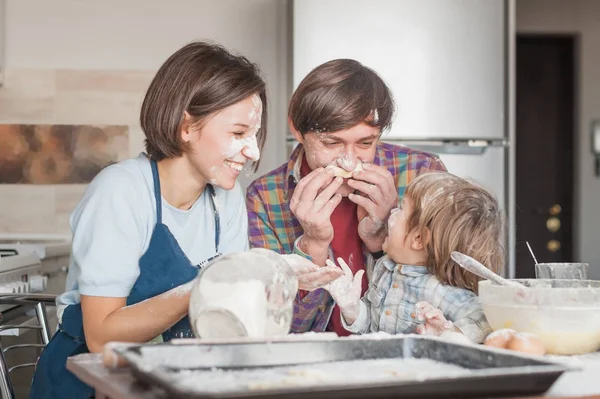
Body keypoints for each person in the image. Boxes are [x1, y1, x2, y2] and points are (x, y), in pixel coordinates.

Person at [29, 40, 339, 399]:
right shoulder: (121, 192)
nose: (252, 151)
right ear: (186, 126)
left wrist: (273, 276)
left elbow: (229, 319)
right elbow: (101, 337)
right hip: (92, 380)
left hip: (174, 376)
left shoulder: (227, 196)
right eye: (238, 134)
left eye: (253, 135)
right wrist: (210, 283)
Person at [246, 59, 447, 336]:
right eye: (331, 143)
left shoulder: (422, 174)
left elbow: (456, 303)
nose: (349, 160)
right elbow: (275, 330)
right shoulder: (264, 198)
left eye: (366, 143)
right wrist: (312, 246)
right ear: (297, 130)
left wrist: (383, 242)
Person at [323, 172, 505, 343]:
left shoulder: (440, 290)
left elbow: (489, 320)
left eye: (401, 209)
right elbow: (371, 325)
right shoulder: (384, 268)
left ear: (418, 238)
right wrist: (352, 308)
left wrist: (448, 333)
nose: (392, 212)